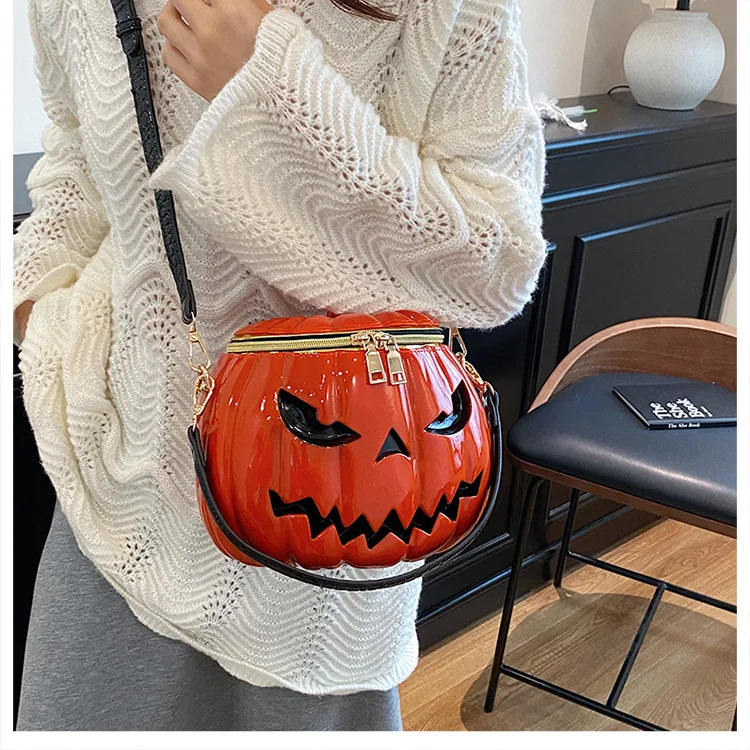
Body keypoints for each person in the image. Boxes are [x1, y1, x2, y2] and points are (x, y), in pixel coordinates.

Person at [13, 0, 546, 731]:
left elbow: (496, 264)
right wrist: (30, 298)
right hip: (115, 473)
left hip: (332, 518)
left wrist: (268, 85)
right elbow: (77, 154)